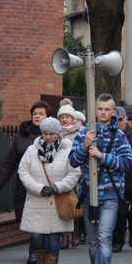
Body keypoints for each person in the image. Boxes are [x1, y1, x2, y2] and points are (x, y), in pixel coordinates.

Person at [69, 93, 132, 264]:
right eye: (100, 109)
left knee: (105, 237)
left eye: (107, 109)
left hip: (111, 194)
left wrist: (102, 156)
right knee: (93, 241)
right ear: (94, 111)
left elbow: (127, 162)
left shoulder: (120, 136)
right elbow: (72, 160)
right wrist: (85, 145)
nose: (103, 113)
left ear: (113, 112)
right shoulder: (84, 134)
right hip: (89, 194)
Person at [17, 117, 81, 264]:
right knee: (37, 236)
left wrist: (57, 187)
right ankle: (41, 261)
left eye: (51, 133)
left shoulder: (68, 150)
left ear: (58, 133)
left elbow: (74, 173)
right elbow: (23, 171)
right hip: (36, 201)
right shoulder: (32, 150)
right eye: (45, 133)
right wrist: (38, 188)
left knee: (54, 238)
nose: (47, 137)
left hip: (57, 200)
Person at [0, 100, 52, 264]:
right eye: (35, 113)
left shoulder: (53, 136)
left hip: (46, 185)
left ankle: (39, 251)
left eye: (41, 113)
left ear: (48, 117)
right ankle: (35, 251)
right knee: (32, 219)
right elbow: (10, 161)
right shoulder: (21, 137)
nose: (37, 116)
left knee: (43, 219)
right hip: (26, 185)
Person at [112, 106, 132, 253]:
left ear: (126, 120)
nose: (118, 123)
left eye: (120, 120)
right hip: (115, 179)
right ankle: (118, 240)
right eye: (115, 120)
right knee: (118, 211)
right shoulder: (110, 135)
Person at [57, 98, 83, 249]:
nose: (64, 120)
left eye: (67, 117)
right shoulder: (56, 133)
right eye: (62, 117)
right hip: (61, 172)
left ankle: (76, 233)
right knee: (63, 204)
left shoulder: (79, 133)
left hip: (77, 173)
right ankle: (65, 236)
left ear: (73, 119)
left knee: (75, 203)